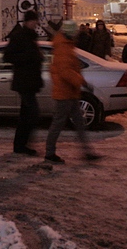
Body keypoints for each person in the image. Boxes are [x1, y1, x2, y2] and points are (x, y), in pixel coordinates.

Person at [45, 20, 101, 164]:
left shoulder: (66, 45)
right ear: (70, 33)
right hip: (64, 92)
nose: (76, 34)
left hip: (69, 92)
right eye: (74, 32)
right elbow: (66, 72)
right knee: (59, 123)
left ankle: (87, 151)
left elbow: (70, 69)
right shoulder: (63, 47)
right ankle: (50, 153)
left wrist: (80, 82)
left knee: (78, 123)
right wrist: (81, 82)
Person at [3, 10, 44, 155]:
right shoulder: (19, 36)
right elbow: (7, 56)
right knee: (32, 113)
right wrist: (28, 57)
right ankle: (21, 145)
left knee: (26, 115)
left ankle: (20, 145)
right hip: (24, 81)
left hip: (31, 81)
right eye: (32, 20)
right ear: (26, 21)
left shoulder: (32, 37)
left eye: (35, 20)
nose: (35, 23)